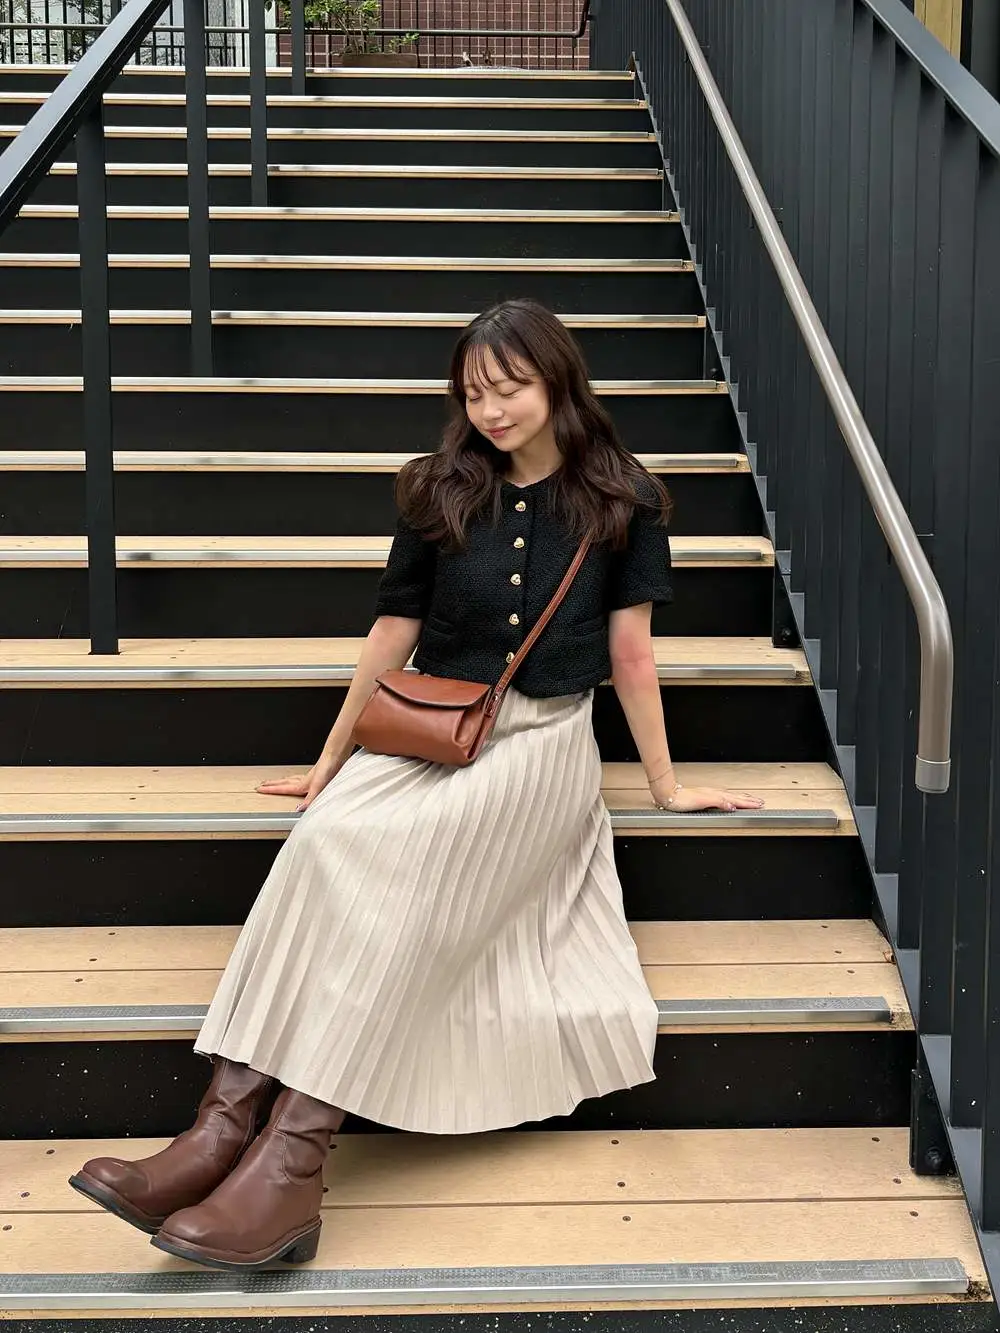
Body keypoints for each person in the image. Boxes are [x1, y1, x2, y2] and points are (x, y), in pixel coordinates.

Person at [69, 299, 764, 1272]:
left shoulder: (624, 499)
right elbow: (392, 631)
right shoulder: (439, 489)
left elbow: (632, 655)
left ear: (560, 382)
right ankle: (216, 1131)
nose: (491, 411)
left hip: (538, 747)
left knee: (405, 876)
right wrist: (330, 761)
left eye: (510, 388)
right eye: (473, 393)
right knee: (325, 842)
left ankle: (293, 1161)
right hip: (426, 733)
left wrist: (663, 785)